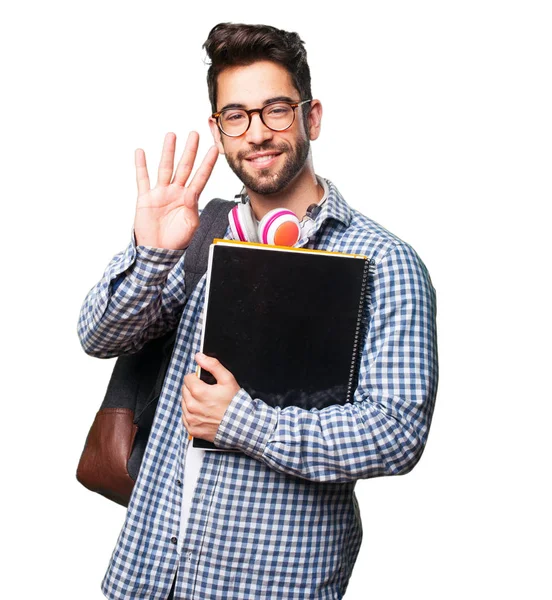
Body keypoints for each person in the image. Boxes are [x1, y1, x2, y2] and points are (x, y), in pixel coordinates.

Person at [78, 22, 438, 600]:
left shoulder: (383, 261)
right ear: (220, 131)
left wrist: (244, 422)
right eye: (236, 116)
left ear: (311, 117)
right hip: (148, 572)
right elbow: (99, 336)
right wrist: (153, 252)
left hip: (270, 583)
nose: (257, 133)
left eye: (275, 110)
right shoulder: (204, 234)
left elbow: (397, 431)